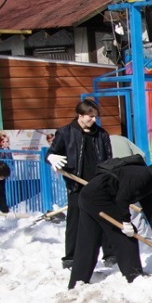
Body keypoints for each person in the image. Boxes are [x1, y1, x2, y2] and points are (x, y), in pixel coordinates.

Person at [67, 157, 152, 288]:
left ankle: (77, 281)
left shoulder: (151, 185)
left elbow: (151, 213)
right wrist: (126, 222)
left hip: (89, 196)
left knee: (89, 239)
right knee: (126, 235)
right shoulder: (143, 175)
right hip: (98, 198)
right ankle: (134, 276)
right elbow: (122, 198)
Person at [46, 99, 113, 269]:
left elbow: (109, 159)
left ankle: (110, 254)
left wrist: (108, 178)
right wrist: (50, 157)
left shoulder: (101, 134)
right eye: (90, 116)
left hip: (98, 183)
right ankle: (71, 257)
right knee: (75, 220)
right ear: (80, 115)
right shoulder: (65, 132)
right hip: (76, 184)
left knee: (105, 218)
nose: (93, 120)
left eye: (95, 117)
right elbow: (51, 153)